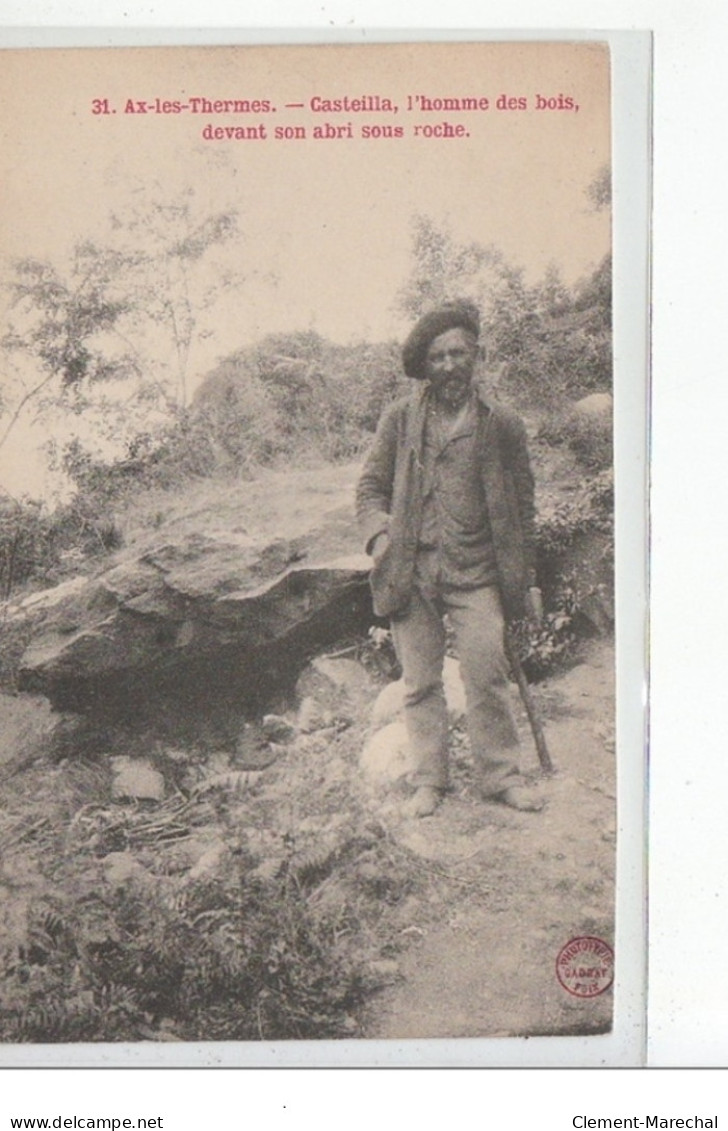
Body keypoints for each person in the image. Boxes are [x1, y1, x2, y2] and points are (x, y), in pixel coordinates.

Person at [356, 300, 544, 817]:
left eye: (458, 353)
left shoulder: (502, 424)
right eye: (437, 357)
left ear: (476, 355)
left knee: (486, 674)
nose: (449, 366)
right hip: (411, 572)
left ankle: (500, 777)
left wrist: (525, 578)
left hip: (477, 572)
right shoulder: (400, 419)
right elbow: (369, 488)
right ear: (426, 366)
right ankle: (429, 782)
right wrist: (379, 537)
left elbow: (524, 508)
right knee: (419, 683)